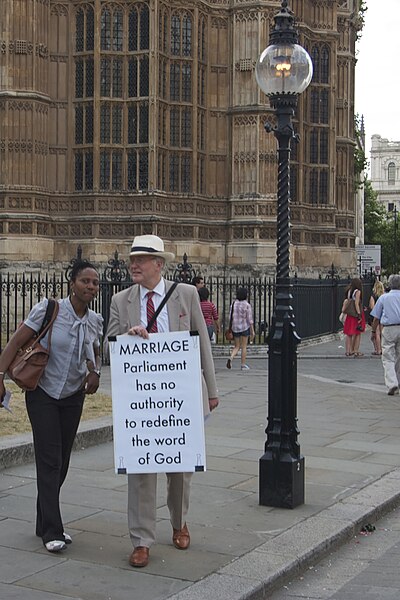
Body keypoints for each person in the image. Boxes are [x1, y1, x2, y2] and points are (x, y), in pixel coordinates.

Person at [106, 234, 219, 569]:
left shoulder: (185, 294)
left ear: (159, 264)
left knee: (181, 468)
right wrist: (129, 336)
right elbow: (109, 346)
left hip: (181, 396)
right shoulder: (120, 300)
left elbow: (202, 344)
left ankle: (178, 521)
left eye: (141, 259)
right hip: (142, 399)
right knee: (141, 468)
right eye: (132, 259)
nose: (134, 265)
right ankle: (141, 540)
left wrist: (211, 391)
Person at [0, 260, 103, 552]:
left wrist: (95, 372)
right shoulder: (49, 309)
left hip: (73, 395)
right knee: (49, 459)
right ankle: (52, 531)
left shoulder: (94, 320)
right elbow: (15, 342)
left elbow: (94, 352)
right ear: (72, 283)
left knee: (63, 461)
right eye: (85, 281)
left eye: (95, 283)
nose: (91, 287)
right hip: (43, 392)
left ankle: (43, 519)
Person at [370, 273, 400, 395]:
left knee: (388, 357)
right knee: (399, 357)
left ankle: (392, 383)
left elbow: (376, 317)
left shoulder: (383, 298)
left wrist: (373, 330)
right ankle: (398, 380)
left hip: (389, 328)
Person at [226, 287, 255, 371]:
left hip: (235, 327)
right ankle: (243, 365)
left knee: (237, 346)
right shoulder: (247, 305)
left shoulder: (234, 304)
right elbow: (249, 319)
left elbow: (230, 316)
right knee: (244, 346)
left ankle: (231, 357)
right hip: (244, 327)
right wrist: (252, 330)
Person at [342, 278, 365, 357]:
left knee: (349, 333)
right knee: (358, 332)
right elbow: (356, 303)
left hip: (349, 314)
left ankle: (348, 351)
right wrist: (359, 314)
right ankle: (355, 350)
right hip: (355, 314)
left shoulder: (349, 291)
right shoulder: (358, 292)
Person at [368, 280, 385, 355]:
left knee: (376, 333)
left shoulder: (373, 296)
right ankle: (382, 348)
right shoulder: (384, 296)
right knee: (382, 333)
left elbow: (372, 307)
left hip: (376, 316)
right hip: (383, 315)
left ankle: (378, 349)